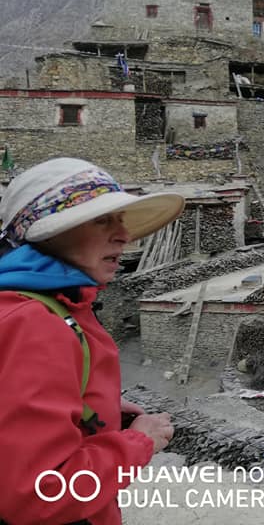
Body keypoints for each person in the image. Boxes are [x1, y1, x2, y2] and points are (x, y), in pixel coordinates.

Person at [0, 158, 185, 524]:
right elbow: (40, 493)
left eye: (120, 220)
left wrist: (93, 409)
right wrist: (138, 442)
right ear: (48, 234)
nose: (124, 235)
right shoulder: (37, 324)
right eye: (102, 220)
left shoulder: (41, 305)